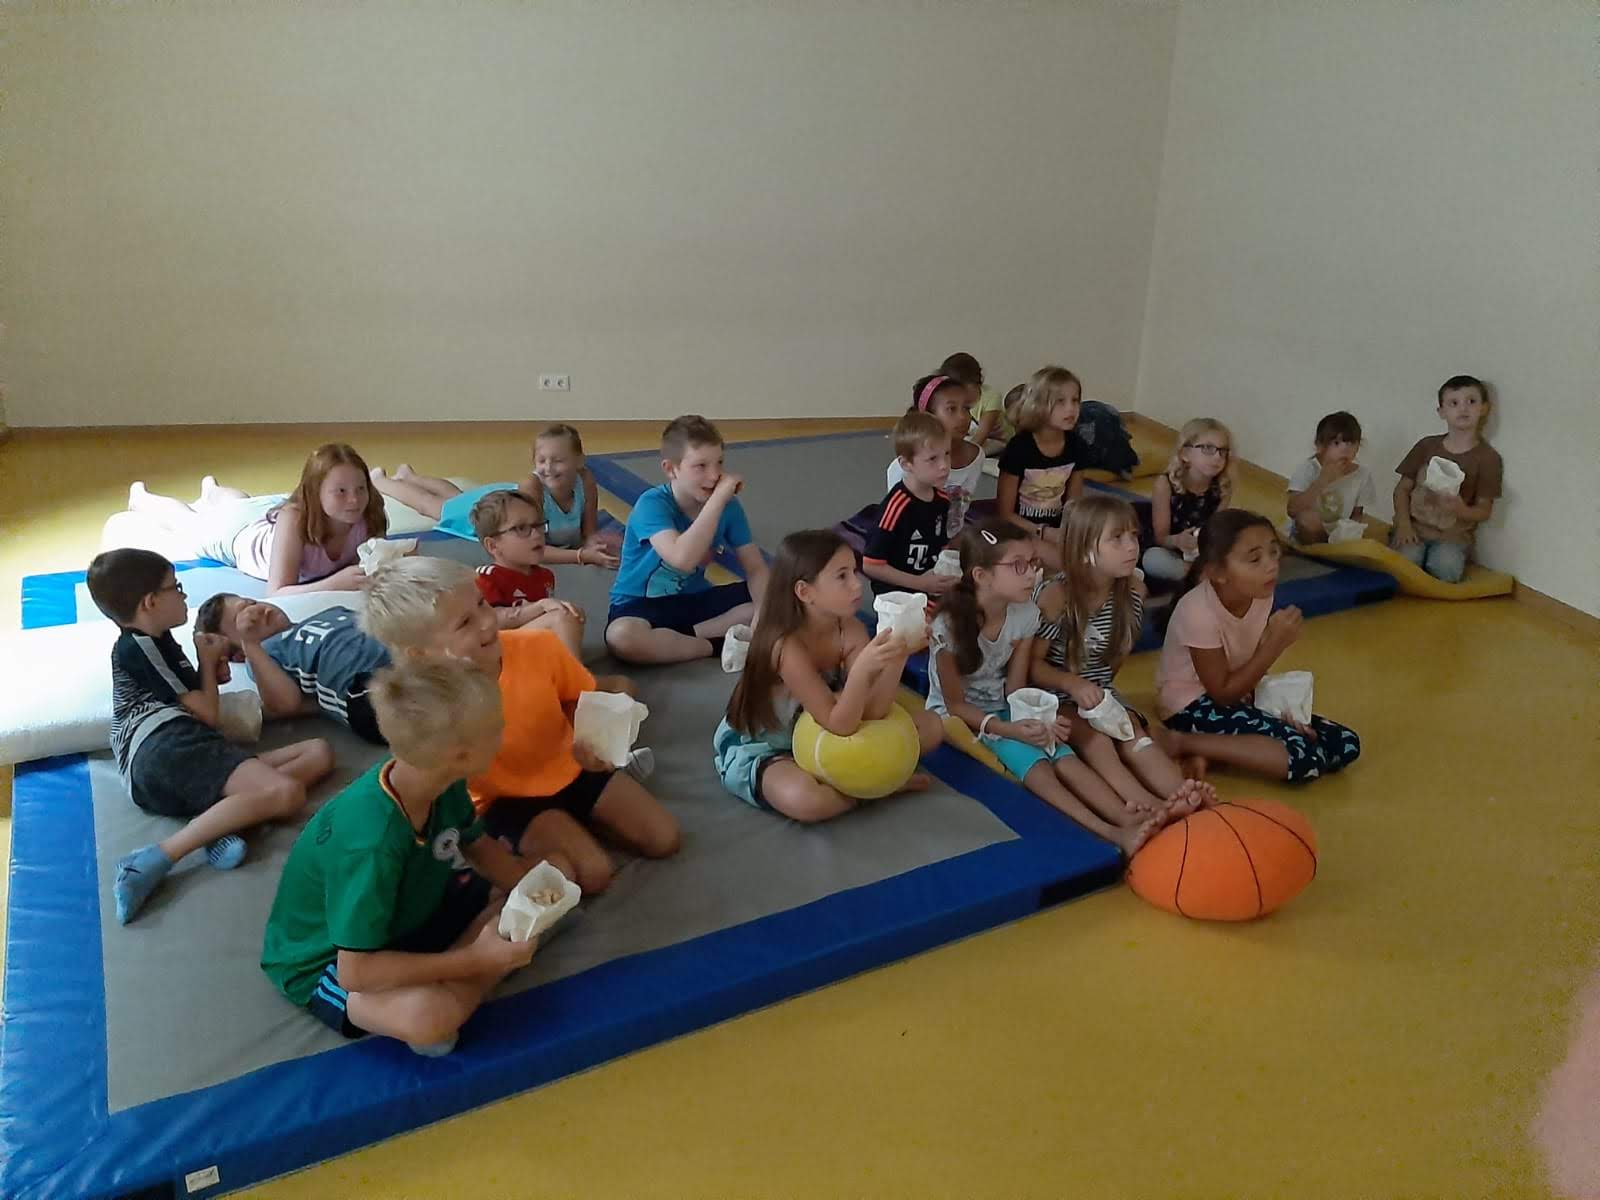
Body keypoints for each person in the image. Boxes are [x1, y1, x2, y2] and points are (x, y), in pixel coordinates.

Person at [260, 659, 542, 1057]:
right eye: (497, 728)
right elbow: (355, 972)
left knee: (548, 875)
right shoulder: (371, 845)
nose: (504, 732)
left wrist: (531, 891)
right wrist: (475, 960)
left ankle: (463, 966)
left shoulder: (436, 777)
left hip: (410, 911)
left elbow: (477, 846)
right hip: (329, 960)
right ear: (460, 754)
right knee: (431, 1018)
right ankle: (472, 969)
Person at [363, 557, 675, 895]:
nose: (486, 622)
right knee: (595, 874)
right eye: (465, 623)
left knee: (665, 839)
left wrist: (589, 738)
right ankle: (557, 837)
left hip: (571, 767)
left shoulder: (538, 647)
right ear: (420, 653)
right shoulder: (432, 705)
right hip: (505, 800)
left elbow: (576, 698)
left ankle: (584, 822)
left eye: (482, 603)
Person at [85, 549, 335, 924]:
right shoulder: (137, 646)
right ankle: (156, 858)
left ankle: (220, 823)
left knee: (318, 752)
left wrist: (211, 672)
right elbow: (206, 713)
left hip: (182, 753)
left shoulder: (163, 641)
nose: (183, 595)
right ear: (151, 602)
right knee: (286, 792)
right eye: (175, 587)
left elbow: (201, 703)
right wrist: (206, 662)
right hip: (160, 748)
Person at [927, 520, 1165, 858]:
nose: (1032, 575)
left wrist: (1040, 719)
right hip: (958, 717)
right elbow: (954, 704)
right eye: (1018, 566)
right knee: (1037, 765)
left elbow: (1016, 688)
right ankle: (1112, 831)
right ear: (982, 575)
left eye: (1033, 563)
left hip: (1003, 706)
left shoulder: (1025, 614)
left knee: (1062, 754)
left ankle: (1126, 814)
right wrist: (1010, 730)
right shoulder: (948, 626)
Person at [713, 530, 942, 821]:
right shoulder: (784, 646)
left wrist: (899, 655)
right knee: (807, 801)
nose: (857, 584)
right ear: (805, 592)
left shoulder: (849, 629)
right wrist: (861, 672)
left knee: (931, 727)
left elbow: (874, 711)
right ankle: (876, 789)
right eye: (841, 576)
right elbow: (839, 724)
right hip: (773, 745)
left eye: (854, 572)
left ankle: (863, 784)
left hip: (832, 732)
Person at [1031, 496, 1214, 813]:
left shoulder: (1133, 592)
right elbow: (1031, 667)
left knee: (1133, 733)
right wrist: (1072, 684)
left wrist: (1104, 700)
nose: (1132, 547)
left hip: (1099, 692)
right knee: (1099, 742)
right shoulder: (1056, 595)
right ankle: (1148, 806)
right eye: (1116, 538)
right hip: (1053, 696)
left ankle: (1182, 794)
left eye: (1133, 536)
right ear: (1084, 548)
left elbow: (1114, 661)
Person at [1155, 510, 1361, 782]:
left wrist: (1280, 713)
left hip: (1240, 689)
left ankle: (1213, 753)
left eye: (1274, 553)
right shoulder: (1198, 612)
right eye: (1255, 559)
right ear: (1218, 572)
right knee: (1303, 758)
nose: (1271, 565)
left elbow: (1244, 664)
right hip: (1190, 705)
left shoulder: (1260, 594)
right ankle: (1183, 743)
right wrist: (1274, 644)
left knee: (1344, 743)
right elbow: (1222, 694)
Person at [604, 415, 770, 665]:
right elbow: (681, 559)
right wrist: (718, 500)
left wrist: (762, 615)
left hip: (695, 601)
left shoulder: (729, 507)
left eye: (719, 463)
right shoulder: (652, 504)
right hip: (640, 606)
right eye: (701, 466)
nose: (715, 476)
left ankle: (683, 639)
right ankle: (713, 644)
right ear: (671, 469)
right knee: (621, 637)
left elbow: (756, 569)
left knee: (785, 596)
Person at [120, 444, 388, 594]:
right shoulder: (295, 520)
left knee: (239, 503)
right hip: (238, 538)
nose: (354, 500)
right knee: (188, 524)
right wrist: (333, 584)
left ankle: (212, 490)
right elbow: (277, 591)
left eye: (361, 488)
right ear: (315, 492)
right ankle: (141, 498)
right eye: (341, 491)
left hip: (258, 517)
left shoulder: (370, 512)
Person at [369, 424, 622, 568]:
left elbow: (589, 530)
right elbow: (529, 549)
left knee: (458, 495)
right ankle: (381, 481)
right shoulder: (533, 487)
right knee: (434, 507)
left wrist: (594, 543)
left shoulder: (585, 479)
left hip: (507, 496)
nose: (548, 468)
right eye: (542, 460)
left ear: (579, 461)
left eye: (559, 460)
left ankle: (410, 476)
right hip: (500, 510)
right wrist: (581, 556)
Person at [194, 593, 393, 743]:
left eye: (252, 603)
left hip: (401, 655)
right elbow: (286, 703)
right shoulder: (264, 654)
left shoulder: (330, 613)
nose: (257, 611)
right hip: (368, 691)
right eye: (244, 620)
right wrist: (251, 644)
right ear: (240, 654)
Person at [1389, 375, 1503, 582]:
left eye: (1471, 401)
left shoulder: (1488, 459)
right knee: (1405, 563)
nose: (1463, 408)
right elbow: (1402, 489)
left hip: (1453, 537)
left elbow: (1484, 510)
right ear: (1441, 411)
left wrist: (1461, 510)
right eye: (1454, 403)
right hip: (1415, 527)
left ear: (1484, 408)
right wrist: (1404, 524)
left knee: (1446, 570)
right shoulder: (1426, 446)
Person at [468, 488, 587, 659]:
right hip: (495, 655)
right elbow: (491, 621)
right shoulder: (485, 577)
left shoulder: (545, 576)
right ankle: (572, 673)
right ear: (493, 546)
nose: (536, 534)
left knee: (572, 613)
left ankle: (557, 668)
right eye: (521, 528)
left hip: (525, 649)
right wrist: (540, 607)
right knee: (562, 617)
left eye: (538, 525)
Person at [995, 365, 1087, 571]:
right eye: (1060, 401)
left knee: (1101, 554)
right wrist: (1043, 532)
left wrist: (1072, 533)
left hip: (1058, 530)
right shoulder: (1020, 448)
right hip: (1021, 530)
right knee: (1067, 565)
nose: (1071, 409)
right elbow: (1004, 514)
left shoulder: (1077, 445)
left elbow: (1074, 505)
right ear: (1038, 405)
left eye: (1075, 400)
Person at [864, 410, 955, 597]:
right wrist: (920, 583)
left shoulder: (943, 500)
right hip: (897, 592)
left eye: (947, 454)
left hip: (928, 583)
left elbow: (941, 544)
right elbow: (871, 565)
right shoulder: (897, 506)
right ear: (906, 464)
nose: (944, 465)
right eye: (932, 459)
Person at [887, 372, 986, 535]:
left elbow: (962, 507)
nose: (963, 417)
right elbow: (898, 521)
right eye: (951, 409)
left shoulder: (976, 455)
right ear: (929, 416)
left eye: (966, 408)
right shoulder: (902, 468)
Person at [1143, 418, 1236, 583]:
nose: (1217, 457)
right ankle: (1197, 576)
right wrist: (1178, 540)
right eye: (1208, 448)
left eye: (1222, 451)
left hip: (1201, 552)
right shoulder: (1165, 484)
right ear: (1184, 454)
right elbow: (1161, 538)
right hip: (1171, 550)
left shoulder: (1223, 488)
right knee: (1152, 559)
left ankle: (1202, 575)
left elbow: (1216, 530)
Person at [1285, 411, 1375, 544]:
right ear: (1320, 446)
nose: (1345, 449)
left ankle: (1331, 548)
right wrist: (1322, 480)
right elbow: (1292, 510)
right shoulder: (1309, 468)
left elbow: (1356, 514)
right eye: (1336, 443)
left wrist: (1352, 532)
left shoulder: (1362, 474)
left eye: (1351, 443)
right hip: (1304, 532)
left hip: (1337, 536)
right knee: (1307, 519)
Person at [946, 352, 1010, 452]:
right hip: (974, 439)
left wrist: (961, 454)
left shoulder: (991, 397)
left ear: (975, 380)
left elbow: (981, 435)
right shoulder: (955, 401)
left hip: (998, 441)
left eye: (961, 387)